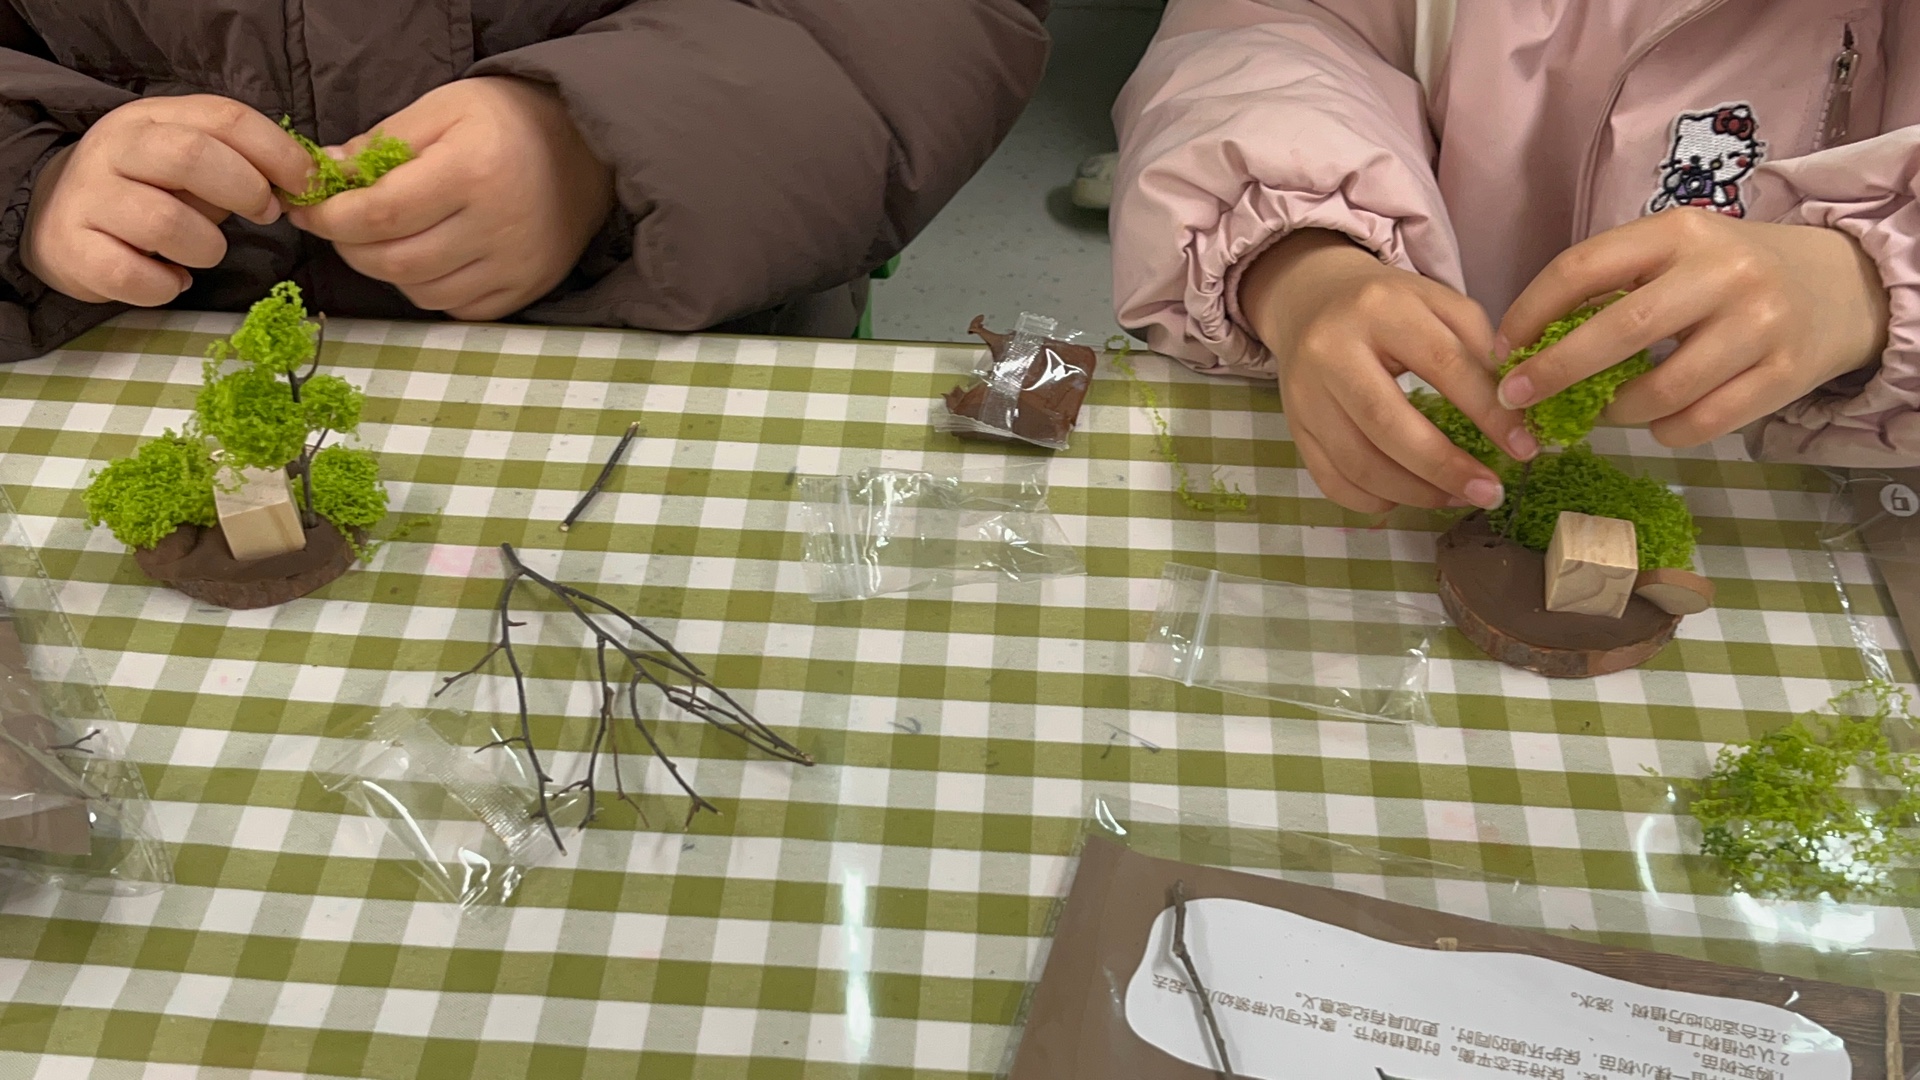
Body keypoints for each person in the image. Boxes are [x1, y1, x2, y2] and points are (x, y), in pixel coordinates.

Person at [1109, 0, 1917, 514]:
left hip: (1830, 501)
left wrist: (1876, 283)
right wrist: (1301, 261)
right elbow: (1273, 30)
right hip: (1424, 429)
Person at [0, 1, 1050, 361]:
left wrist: (593, 141)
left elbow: (921, 31)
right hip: (137, 352)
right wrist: (30, 188)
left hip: (661, 344)